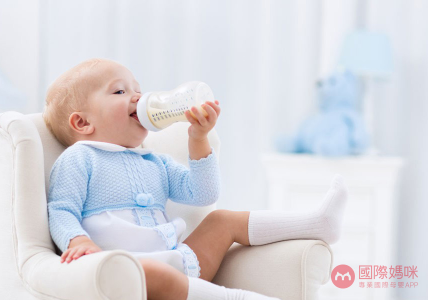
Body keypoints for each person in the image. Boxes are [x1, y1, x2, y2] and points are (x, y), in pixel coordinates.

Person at [43, 58, 348, 300]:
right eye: (120, 91)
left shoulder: (155, 161)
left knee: (222, 220)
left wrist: (198, 138)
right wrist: (78, 240)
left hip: (183, 261)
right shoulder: (80, 158)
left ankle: (317, 223)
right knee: (149, 271)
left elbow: (203, 192)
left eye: (138, 89)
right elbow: (61, 210)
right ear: (82, 122)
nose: (139, 97)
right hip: (132, 275)